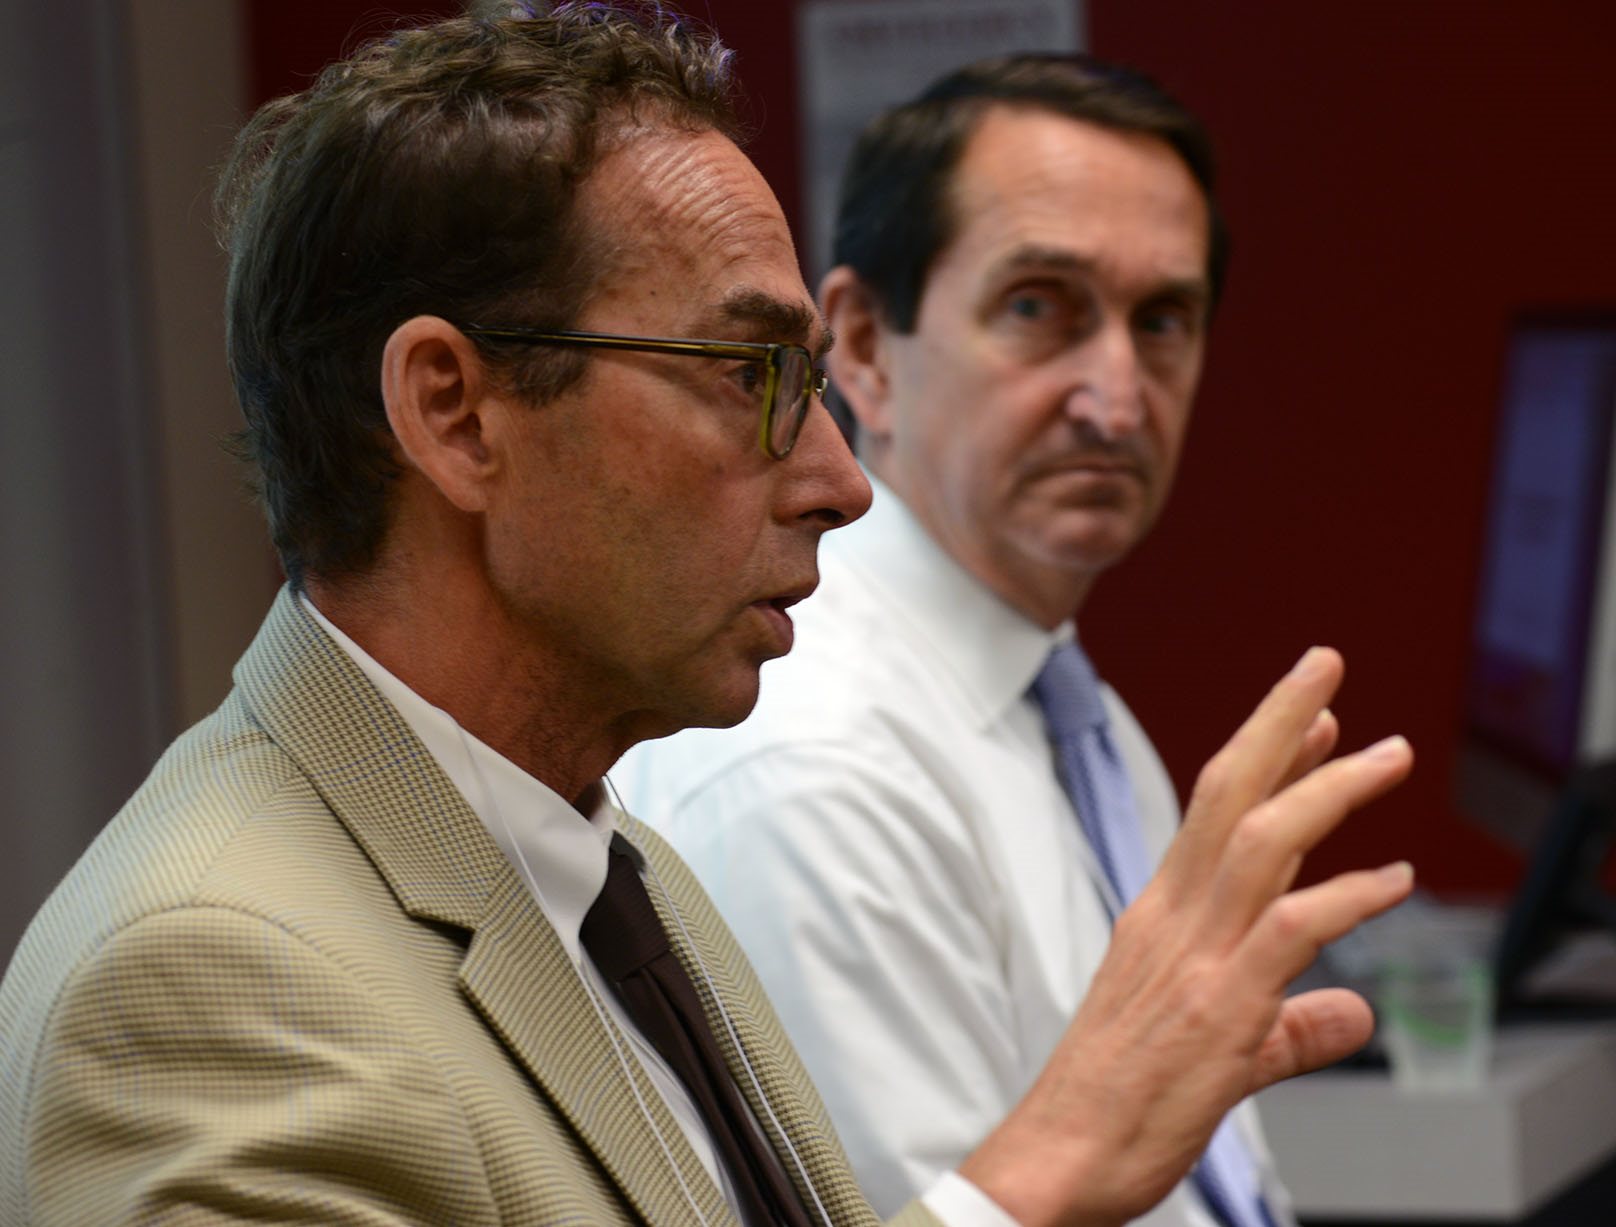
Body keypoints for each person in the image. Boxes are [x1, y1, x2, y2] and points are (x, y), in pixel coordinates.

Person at [0, 7, 1414, 1226]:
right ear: (454, 411)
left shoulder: (606, 862)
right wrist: (1049, 1162)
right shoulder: (212, 982)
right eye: (748, 375)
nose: (840, 481)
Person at [617, 54, 1302, 1225]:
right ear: (862, 348)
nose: (1116, 401)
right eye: (1036, 306)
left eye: (1161, 321)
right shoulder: (812, 764)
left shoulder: (1056, 699)